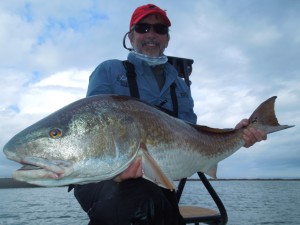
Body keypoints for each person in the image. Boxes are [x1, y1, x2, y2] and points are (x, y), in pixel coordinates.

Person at [72, 4, 267, 225]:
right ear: (130, 35)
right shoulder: (109, 70)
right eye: (143, 28)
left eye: (160, 29)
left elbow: (191, 133)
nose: (151, 34)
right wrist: (113, 170)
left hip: (159, 185)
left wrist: (238, 134)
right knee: (140, 205)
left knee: (158, 209)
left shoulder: (179, 84)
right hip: (102, 179)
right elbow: (92, 125)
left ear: (167, 38)